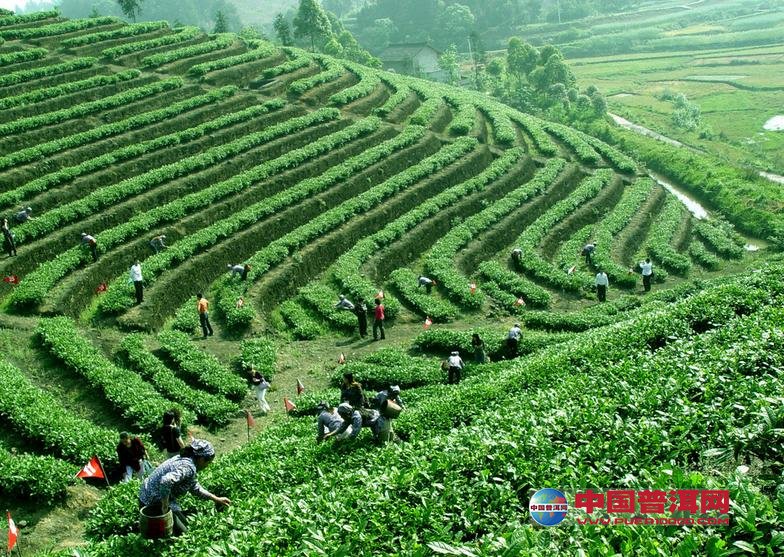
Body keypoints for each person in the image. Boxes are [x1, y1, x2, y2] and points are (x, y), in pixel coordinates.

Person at [138, 439, 230, 536]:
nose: (207, 466)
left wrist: (216, 499)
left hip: (148, 495)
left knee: (183, 528)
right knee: (180, 534)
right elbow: (166, 481)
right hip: (152, 501)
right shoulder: (188, 467)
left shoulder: (185, 459)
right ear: (202, 459)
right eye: (208, 463)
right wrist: (165, 506)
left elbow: (194, 487)